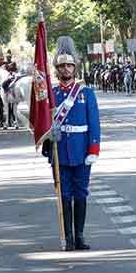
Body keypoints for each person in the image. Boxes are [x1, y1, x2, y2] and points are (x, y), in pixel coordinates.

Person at [43, 36, 100, 251]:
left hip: (82, 150)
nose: (66, 69)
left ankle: (80, 236)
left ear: (75, 68)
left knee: (81, 193)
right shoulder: (52, 95)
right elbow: (43, 123)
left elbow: (94, 123)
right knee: (63, 194)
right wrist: (49, 138)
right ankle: (67, 237)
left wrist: (93, 149)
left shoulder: (86, 93)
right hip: (60, 152)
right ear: (56, 69)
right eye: (61, 66)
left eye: (69, 65)